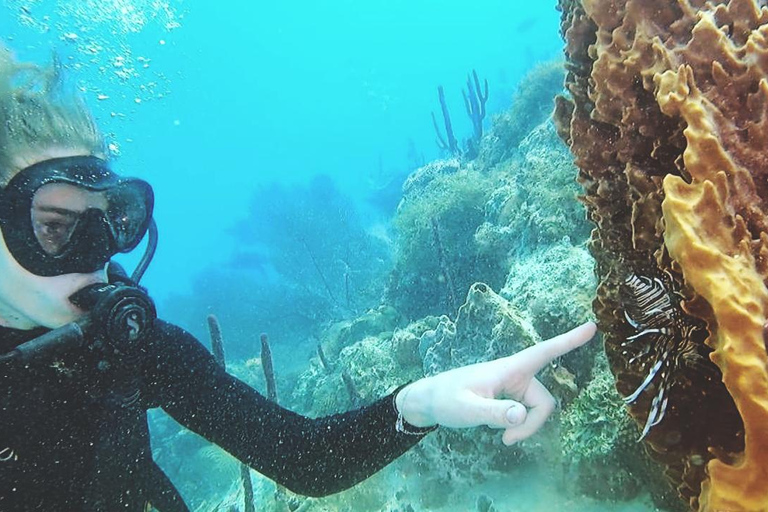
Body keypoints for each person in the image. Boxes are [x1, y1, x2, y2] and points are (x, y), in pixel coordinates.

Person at [0, 46, 597, 511]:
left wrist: (421, 402)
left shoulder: (133, 349)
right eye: (55, 228)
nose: (94, 258)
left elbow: (306, 460)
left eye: (112, 224)